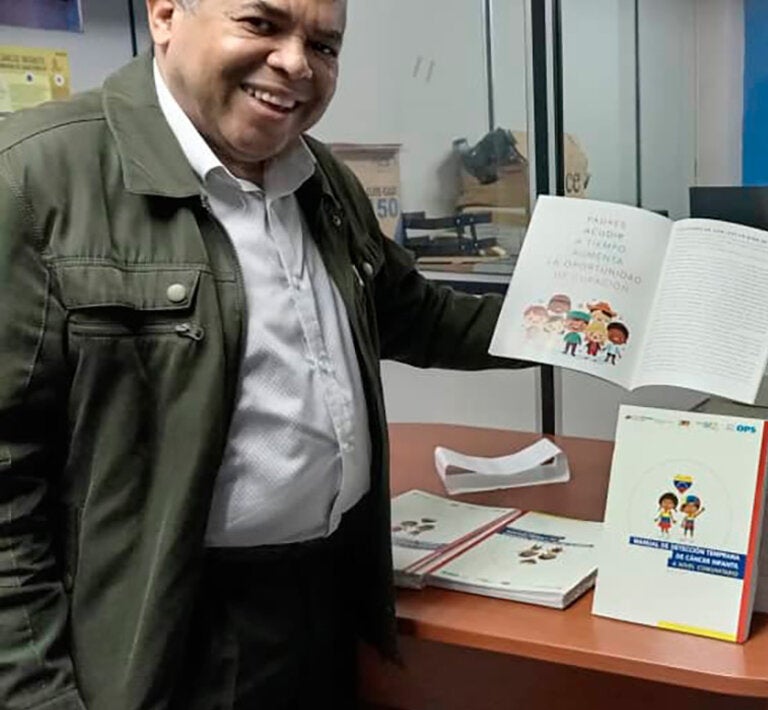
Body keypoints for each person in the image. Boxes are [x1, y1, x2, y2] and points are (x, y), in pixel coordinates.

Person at [0, 0, 529, 707]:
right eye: (261, 23)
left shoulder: (320, 182)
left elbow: (419, 318)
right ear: (164, 15)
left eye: (324, 45)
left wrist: (591, 330)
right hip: (164, 630)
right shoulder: (37, 179)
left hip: (322, 600)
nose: (295, 63)